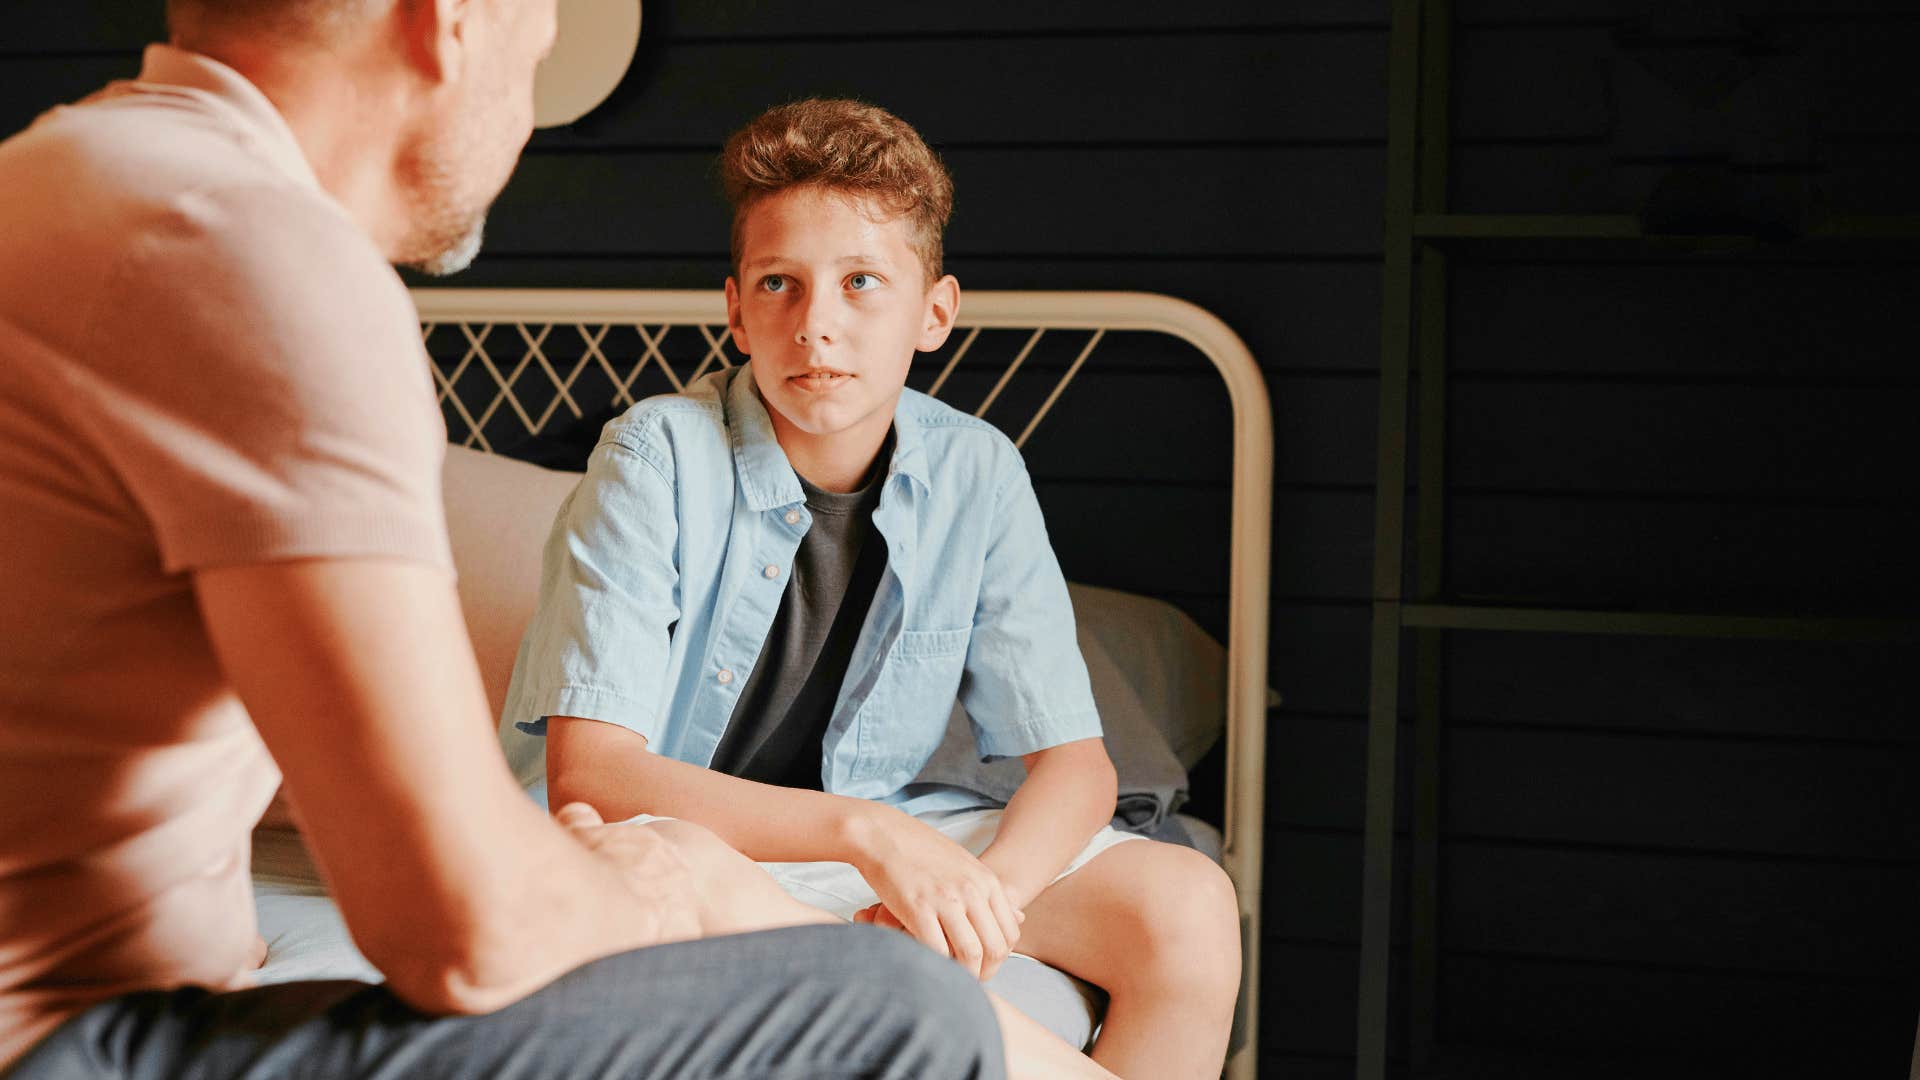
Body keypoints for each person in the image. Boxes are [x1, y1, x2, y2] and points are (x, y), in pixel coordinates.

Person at [0, 6, 1103, 1078]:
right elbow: (461, 918)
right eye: (540, 46)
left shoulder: (59, 175)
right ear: (454, 22)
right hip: (75, 1042)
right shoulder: (261, 258)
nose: (524, 119)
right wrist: (666, 884)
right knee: (898, 1008)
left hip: (123, 999)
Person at [503, 97, 1242, 1079]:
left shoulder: (975, 470)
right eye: (780, 285)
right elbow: (590, 774)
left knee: (1184, 907)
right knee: (673, 876)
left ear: (934, 313)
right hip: (685, 835)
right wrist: (868, 835)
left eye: (861, 284)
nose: (817, 326)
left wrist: (974, 899)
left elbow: (1077, 769)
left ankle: (883, 958)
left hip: (897, 836)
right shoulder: (653, 456)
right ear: (735, 308)